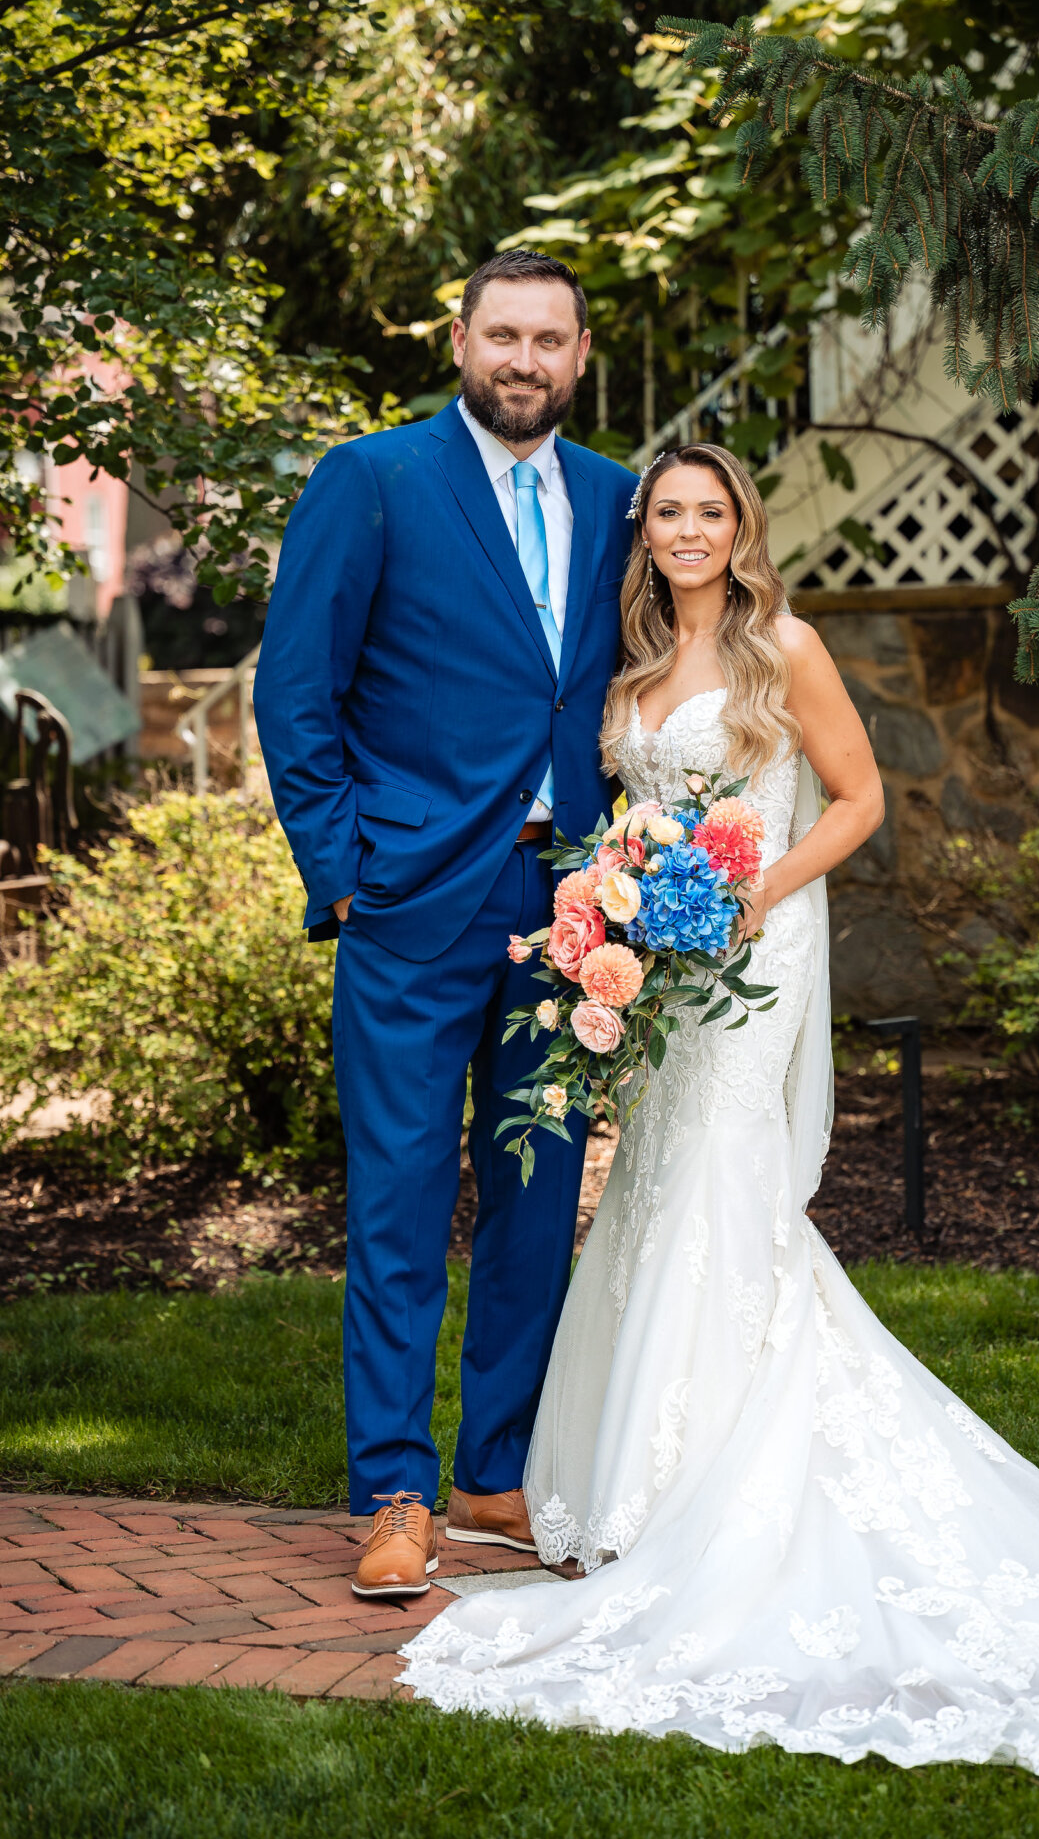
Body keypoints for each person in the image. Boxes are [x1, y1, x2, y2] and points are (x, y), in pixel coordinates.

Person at [398, 444, 1039, 1780]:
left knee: (720, 1190)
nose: (687, 531)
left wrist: (751, 896)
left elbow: (857, 800)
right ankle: (648, 1482)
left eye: (710, 513)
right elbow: (632, 813)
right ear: (643, 534)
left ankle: (705, 1489)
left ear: (742, 528)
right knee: (650, 1188)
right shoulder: (630, 668)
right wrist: (613, 898)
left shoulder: (783, 647)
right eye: (667, 515)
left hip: (753, 952)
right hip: (662, 968)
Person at [253, 250, 635, 1596]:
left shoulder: (618, 498)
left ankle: (495, 1476)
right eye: (503, 335)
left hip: (573, 904)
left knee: (538, 1198)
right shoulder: (372, 481)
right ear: (460, 340)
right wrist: (345, 867)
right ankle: (394, 1489)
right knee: (403, 1196)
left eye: (550, 340)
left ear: (580, 355)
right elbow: (295, 690)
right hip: (415, 897)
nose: (524, 360)